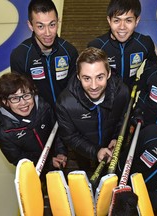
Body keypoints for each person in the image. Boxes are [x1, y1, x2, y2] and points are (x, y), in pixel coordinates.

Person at [55, 47, 129, 175]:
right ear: (78, 76)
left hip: (111, 147)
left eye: (100, 77)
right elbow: (70, 136)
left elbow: (123, 119)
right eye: (87, 78)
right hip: (82, 151)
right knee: (85, 171)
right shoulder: (65, 102)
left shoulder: (122, 92)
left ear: (109, 73)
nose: (94, 86)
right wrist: (96, 151)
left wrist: (117, 137)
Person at [0, 72, 67, 181]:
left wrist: (61, 152)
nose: (23, 103)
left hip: (58, 162)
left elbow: (57, 131)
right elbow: (18, 159)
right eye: (15, 98)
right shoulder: (3, 131)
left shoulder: (44, 107)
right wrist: (48, 162)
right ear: (5, 102)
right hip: (33, 172)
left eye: (26, 95)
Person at [10, 0, 78, 108]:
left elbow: (76, 89)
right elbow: (19, 95)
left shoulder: (69, 51)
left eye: (52, 25)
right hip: (39, 119)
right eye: (40, 26)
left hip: (67, 115)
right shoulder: (20, 56)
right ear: (31, 26)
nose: (47, 33)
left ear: (58, 22)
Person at [87, 0, 157, 90]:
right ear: (109, 20)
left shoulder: (145, 43)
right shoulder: (96, 46)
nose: (122, 27)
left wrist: (143, 82)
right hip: (103, 98)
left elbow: (153, 59)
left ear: (137, 21)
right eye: (117, 20)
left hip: (129, 97)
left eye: (128, 20)